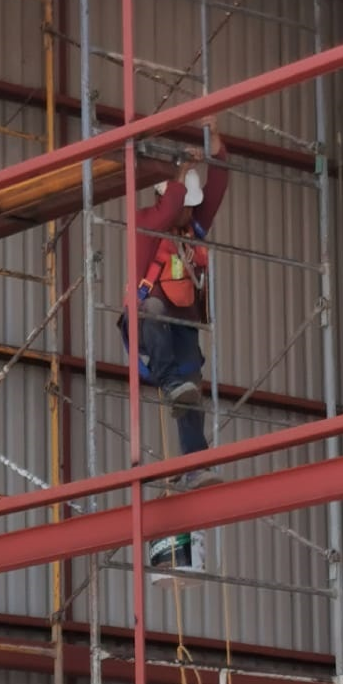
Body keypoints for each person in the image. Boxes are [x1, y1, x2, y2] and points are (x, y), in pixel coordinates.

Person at [119, 119, 229, 491]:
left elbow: (217, 190)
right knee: (153, 309)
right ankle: (169, 385)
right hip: (147, 322)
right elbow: (168, 213)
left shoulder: (191, 230)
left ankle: (195, 464)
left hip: (181, 329)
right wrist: (182, 171)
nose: (189, 213)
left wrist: (216, 148)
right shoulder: (146, 222)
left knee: (192, 386)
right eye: (184, 204)